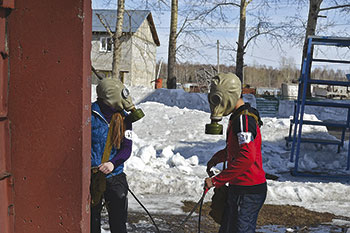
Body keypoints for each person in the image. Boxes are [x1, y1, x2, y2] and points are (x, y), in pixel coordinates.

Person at [204, 73, 267, 233]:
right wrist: (217, 158)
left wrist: (217, 180)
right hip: (239, 188)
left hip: (248, 191)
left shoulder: (243, 121)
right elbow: (236, 151)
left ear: (228, 97)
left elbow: (247, 157)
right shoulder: (239, 117)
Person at [90, 78, 143, 233]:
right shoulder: (89, 114)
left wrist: (113, 163)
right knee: (92, 222)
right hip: (93, 177)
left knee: (119, 223)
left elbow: (127, 148)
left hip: (115, 176)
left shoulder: (125, 118)